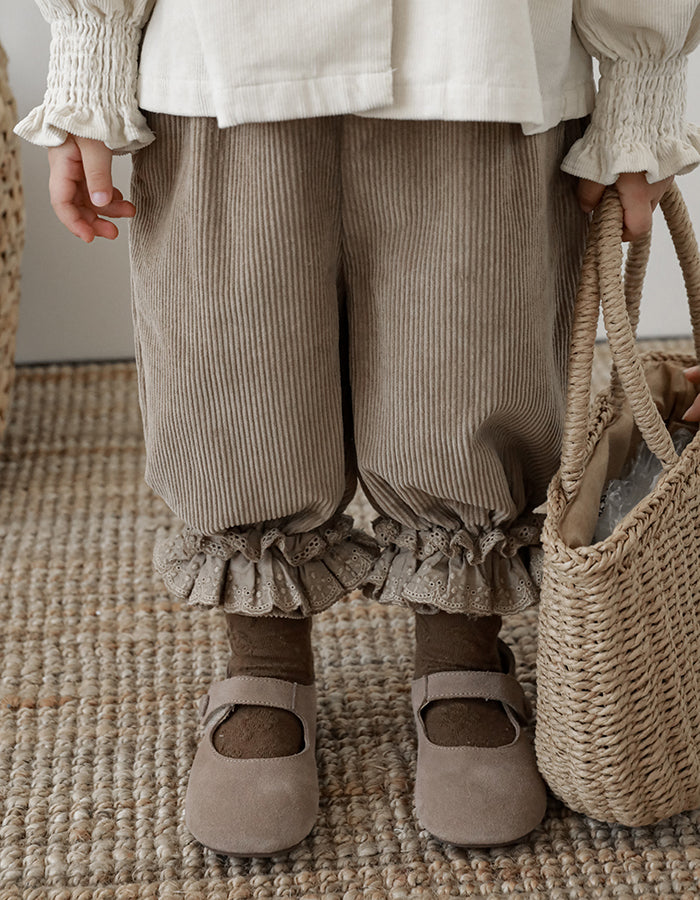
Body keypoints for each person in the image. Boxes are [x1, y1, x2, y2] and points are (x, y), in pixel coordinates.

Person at [15, 0, 700, 855]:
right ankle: (265, 660)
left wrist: (639, 69)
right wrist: (90, 46)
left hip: (480, 49)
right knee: (233, 357)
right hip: (222, 52)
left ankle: (461, 648)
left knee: (472, 351)